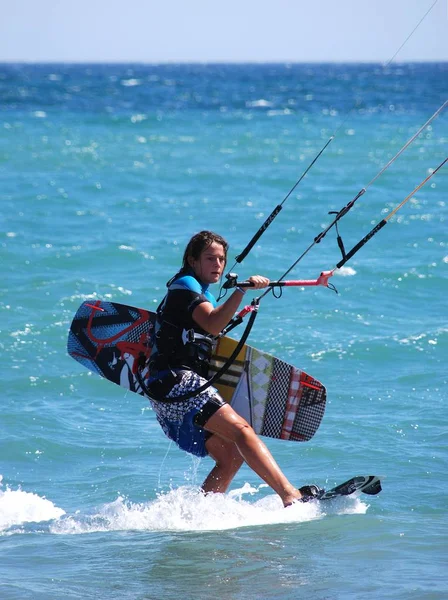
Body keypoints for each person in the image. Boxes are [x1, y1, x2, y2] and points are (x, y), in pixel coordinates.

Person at [146, 230, 321, 506]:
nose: (217, 264)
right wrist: (241, 291)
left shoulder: (200, 293)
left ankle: (201, 514)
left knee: (231, 455)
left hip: (166, 391)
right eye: (210, 258)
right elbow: (213, 324)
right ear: (192, 260)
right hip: (177, 381)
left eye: (221, 259)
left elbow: (209, 327)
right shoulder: (185, 284)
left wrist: (238, 305)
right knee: (242, 431)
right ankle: (290, 496)